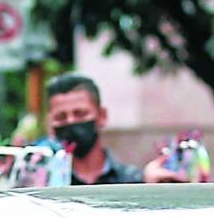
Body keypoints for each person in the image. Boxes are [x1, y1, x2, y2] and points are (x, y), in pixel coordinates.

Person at [46, 73, 186, 185]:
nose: (71, 121)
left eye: (80, 114)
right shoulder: (45, 184)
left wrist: (152, 189)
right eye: (61, 117)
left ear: (102, 116)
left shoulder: (133, 182)